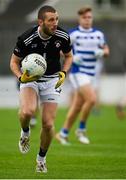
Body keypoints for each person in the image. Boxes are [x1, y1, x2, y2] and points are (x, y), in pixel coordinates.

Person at [10, 5, 73, 173]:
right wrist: (20, 77)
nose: (55, 23)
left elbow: (69, 56)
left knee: (48, 123)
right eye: (51, 20)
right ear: (41, 22)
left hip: (52, 80)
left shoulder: (63, 36)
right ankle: (25, 133)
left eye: (56, 19)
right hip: (31, 78)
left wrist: (64, 73)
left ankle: (41, 159)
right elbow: (14, 62)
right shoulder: (26, 39)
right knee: (27, 112)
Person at [56, 6, 109, 145]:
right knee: (91, 99)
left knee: (77, 106)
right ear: (79, 19)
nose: (87, 20)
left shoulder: (98, 34)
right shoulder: (73, 34)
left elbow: (106, 49)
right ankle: (81, 130)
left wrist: (103, 53)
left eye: (89, 17)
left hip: (92, 73)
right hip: (78, 72)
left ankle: (63, 133)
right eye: (84, 17)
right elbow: (60, 50)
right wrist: (73, 56)